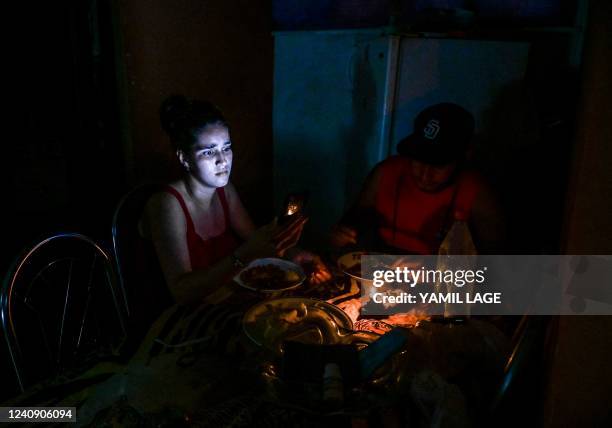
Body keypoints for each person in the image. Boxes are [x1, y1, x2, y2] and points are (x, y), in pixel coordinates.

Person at [139, 95, 329, 305]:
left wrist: (293, 254)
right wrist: (243, 256)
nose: (222, 160)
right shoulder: (167, 204)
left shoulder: (225, 191)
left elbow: (253, 239)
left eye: (226, 148)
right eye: (209, 151)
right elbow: (182, 292)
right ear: (184, 158)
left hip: (228, 299)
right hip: (190, 314)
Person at [330, 102, 504, 255]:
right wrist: (343, 233)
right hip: (384, 270)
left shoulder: (477, 193)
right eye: (418, 160)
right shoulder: (387, 172)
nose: (424, 174)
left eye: (438, 165)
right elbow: (356, 218)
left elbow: (495, 262)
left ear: (464, 156)